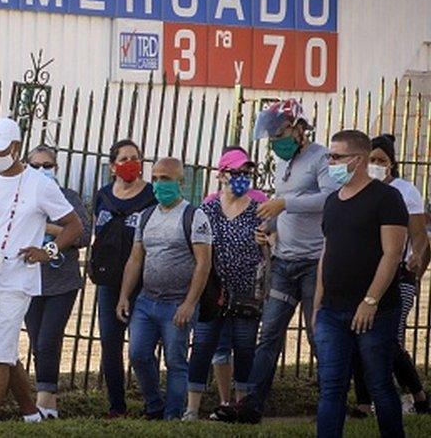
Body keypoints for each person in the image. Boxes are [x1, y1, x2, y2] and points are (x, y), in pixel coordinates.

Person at [214, 99, 339, 424]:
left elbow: (330, 198)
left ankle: (330, 402)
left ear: (299, 128)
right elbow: (285, 210)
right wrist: (268, 225)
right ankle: (252, 405)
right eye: (270, 136)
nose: (275, 141)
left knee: (317, 335)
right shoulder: (283, 163)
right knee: (268, 335)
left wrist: (284, 203)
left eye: (279, 133)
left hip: (314, 262)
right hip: (283, 262)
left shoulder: (321, 157)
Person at [0, 117, 83, 423]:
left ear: (15, 147)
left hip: (19, 280)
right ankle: (31, 414)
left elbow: (74, 225)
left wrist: (47, 251)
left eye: (1, 149)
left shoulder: (40, 184)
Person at [313, 129, 408, 438]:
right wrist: (317, 306)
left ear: (358, 159)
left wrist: (370, 301)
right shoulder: (332, 201)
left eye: (337, 157)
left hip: (375, 312)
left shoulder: (386, 198)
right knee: (331, 386)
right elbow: (326, 253)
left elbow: (392, 254)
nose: (331, 162)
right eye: (330, 156)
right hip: (332, 311)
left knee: (379, 383)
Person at [117, 157, 213, 420]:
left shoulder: (194, 216)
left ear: (181, 182)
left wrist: (189, 303)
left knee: (175, 361)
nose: (159, 184)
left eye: (166, 179)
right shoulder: (146, 216)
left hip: (178, 303)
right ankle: (154, 406)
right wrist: (124, 296)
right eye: (156, 178)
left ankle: (172, 416)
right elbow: (136, 258)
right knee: (137, 354)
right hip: (147, 301)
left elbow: (203, 263)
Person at [350, 134, 431, 416]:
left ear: (392, 164)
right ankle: (363, 403)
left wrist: (416, 267)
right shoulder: (358, 189)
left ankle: (417, 396)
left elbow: (420, 236)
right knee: (358, 334)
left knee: (387, 341)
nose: (375, 165)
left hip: (399, 276)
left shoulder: (405, 191)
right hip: (362, 275)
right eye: (371, 159)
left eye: (381, 160)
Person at [184, 148, 265, 420]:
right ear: (221, 175)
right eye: (236, 172)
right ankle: (192, 407)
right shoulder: (207, 209)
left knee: (244, 348)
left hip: (246, 292)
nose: (242, 178)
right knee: (204, 345)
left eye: (246, 173)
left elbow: (270, 248)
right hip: (213, 292)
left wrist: (269, 242)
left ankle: (240, 407)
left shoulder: (257, 209)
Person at [23, 145, 91, 419]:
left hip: (61, 281)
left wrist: (49, 228)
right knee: (38, 342)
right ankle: (49, 400)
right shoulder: (22, 196)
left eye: (47, 165)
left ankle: (43, 402)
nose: (41, 170)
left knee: (49, 338)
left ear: (56, 168)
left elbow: (84, 236)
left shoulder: (68, 198)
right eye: (35, 165)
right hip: (29, 279)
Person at [90, 139, 156, 418]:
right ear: (112, 166)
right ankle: (117, 405)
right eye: (124, 158)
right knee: (110, 342)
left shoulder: (151, 195)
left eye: (135, 158)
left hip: (143, 280)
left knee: (142, 345)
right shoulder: (103, 195)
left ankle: (154, 401)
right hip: (108, 280)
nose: (130, 163)